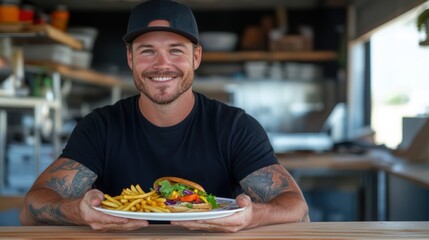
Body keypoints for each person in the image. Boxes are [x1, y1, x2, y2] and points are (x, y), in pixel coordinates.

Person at [19, 0, 309, 232]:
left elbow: (296, 207)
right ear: (130, 58)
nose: (162, 65)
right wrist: (78, 212)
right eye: (147, 51)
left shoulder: (235, 127)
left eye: (175, 50)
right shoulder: (101, 126)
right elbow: (31, 207)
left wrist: (251, 216)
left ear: (196, 57)